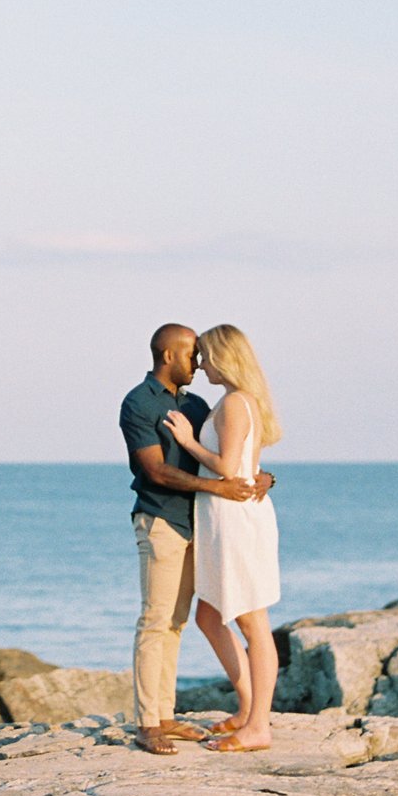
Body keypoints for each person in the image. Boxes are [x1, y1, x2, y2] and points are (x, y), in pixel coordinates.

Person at [117, 324, 273, 755]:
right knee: (156, 619)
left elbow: (233, 452)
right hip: (162, 521)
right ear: (169, 356)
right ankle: (149, 722)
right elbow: (156, 470)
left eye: (203, 354)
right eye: (192, 354)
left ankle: (166, 716)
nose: (199, 362)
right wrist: (221, 487)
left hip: (204, 526)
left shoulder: (199, 403)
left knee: (177, 621)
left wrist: (261, 476)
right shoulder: (138, 403)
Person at [162, 323, 285, 752]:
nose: (201, 363)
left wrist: (186, 442)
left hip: (235, 522)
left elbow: (230, 469)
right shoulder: (236, 401)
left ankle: (259, 726)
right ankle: (248, 709)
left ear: (224, 358)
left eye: (206, 355)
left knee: (253, 623)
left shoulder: (235, 402)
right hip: (225, 520)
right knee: (209, 617)